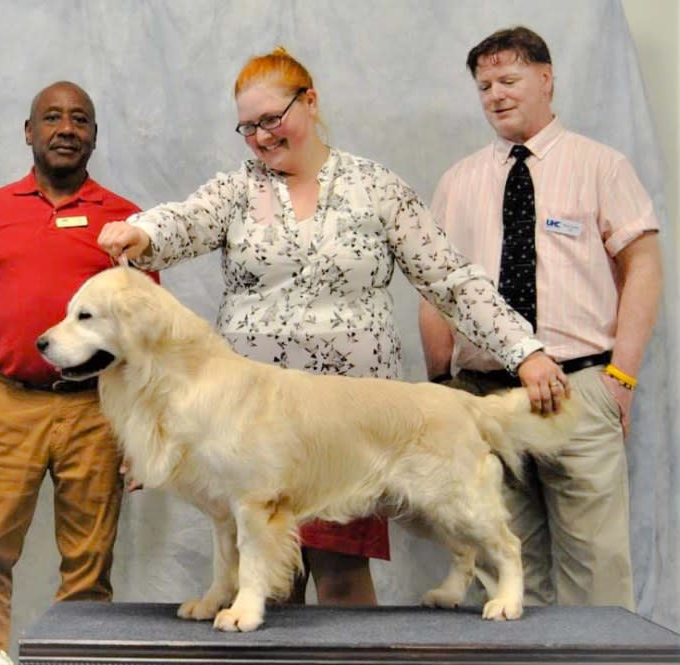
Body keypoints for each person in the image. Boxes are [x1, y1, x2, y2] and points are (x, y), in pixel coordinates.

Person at [97, 47, 567, 606]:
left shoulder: (378, 187)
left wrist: (523, 351)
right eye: (248, 127)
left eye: (272, 119)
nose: (262, 137)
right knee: (264, 591)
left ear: (311, 102)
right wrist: (142, 233)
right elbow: (182, 221)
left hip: (351, 426)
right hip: (247, 423)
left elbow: (451, 281)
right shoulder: (235, 191)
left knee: (344, 582)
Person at [419, 26, 662, 610]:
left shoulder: (601, 165)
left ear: (547, 79)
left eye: (509, 80)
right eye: (483, 86)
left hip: (579, 390)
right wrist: (443, 387)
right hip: (483, 396)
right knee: (503, 569)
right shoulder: (458, 180)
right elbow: (434, 289)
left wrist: (621, 379)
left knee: (596, 569)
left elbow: (644, 270)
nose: (495, 95)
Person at [0, 81, 157, 651]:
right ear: (28, 133)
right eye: (52, 118)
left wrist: (143, 428)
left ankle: (76, 662)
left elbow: (143, 334)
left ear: (94, 137)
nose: (66, 129)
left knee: (88, 564)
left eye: (79, 120)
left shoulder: (125, 221)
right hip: (7, 404)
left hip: (95, 410)